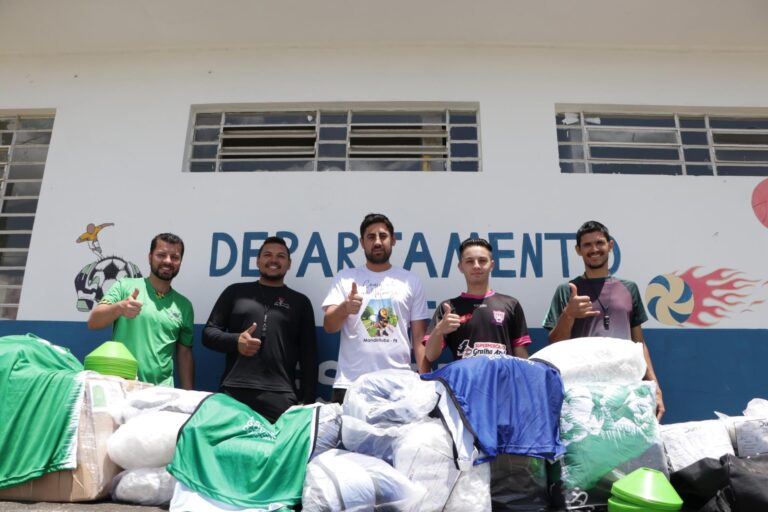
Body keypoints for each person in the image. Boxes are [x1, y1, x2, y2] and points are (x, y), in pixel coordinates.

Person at [543, 220, 665, 420]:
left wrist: (655, 387)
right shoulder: (567, 290)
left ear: (610, 246)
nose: (594, 249)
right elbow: (554, 345)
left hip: (625, 389)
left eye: (599, 243)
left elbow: (638, 343)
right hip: (581, 392)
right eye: (587, 245)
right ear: (578, 250)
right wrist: (568, 315)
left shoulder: (629, 288)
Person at [202, 236, 318, 423]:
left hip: (281, 394)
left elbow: (309, 356)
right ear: (257, 261)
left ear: (289, 264)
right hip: (234, 390)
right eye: (267, 255)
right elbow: (208, 334)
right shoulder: (235, 292)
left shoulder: (300, 302)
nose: (273, 260)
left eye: (280, 256)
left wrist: (308, 401)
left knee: (279, 451)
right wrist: (236, 341)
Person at [322, 213, 430, 404]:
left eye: (383, 236)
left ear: (393, 240)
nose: (377, 242)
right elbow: (329, 326)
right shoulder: (345, 278)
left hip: (399, 384)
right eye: (371, 237)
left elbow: (420, 337)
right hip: (351, 383)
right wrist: (345, 308)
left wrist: (426, 382)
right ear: (362, 242)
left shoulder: (410, 281)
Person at [88, 233, 194, 389]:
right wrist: (119, 308)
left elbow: (184, 353)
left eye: (174, 257)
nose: (168, 261)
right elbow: (94, 322)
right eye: (161, 255)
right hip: (121, 387)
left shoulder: (184, 306)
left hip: (162, 393)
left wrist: (189, 394)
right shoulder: (125, 286)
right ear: (150, 257)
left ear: (180, 262)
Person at [424, 237, 531, 365]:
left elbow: (521, 355)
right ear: (460, 267)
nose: (476, 266)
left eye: (482, 260)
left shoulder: (511, 304)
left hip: (502, 382)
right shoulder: (448, 307)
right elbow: (430, 356)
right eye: (469, 261)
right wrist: (439, 330)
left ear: (491, 265)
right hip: (466, 383)